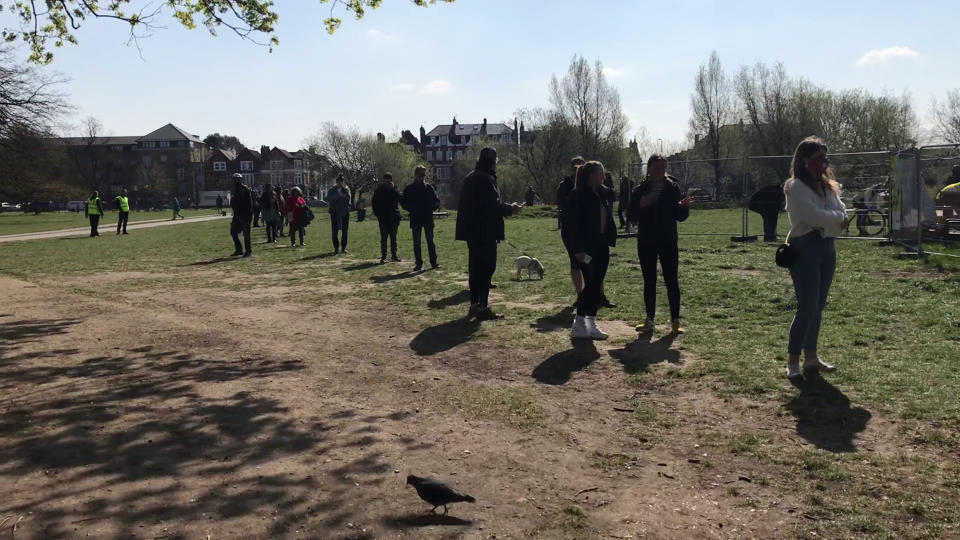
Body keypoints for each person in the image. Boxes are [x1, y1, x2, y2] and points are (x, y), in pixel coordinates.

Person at [782, 136, 847, 380]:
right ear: (805, 159)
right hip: (805, 247)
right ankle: (792, 361)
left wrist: (835, 216)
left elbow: (841, 209)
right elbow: (814, 217)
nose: (825, 161)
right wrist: (837, 218)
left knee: (818, 306)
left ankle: (811, 357)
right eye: (820, 157)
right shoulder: (796, 185)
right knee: (807, 306)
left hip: (827, 246)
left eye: (825, 156)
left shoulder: (827, 184)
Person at [628, 154, 693, 335]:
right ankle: (649, 320)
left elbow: (679, 216)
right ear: (649, 169)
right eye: (656, 168)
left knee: (671, 280)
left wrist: (684, 207)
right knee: (649, 280)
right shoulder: (640, 189)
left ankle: (675, 320)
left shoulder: (672, 188)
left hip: (668, 240)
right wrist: (641, 205)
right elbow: (631, 217)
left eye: (663, 167)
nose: (660, 171)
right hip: (647, 241)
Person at [455, 147, 522, 320]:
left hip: (472, 231)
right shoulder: (486, 179)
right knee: (486, 268)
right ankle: (482, 307)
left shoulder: (471, 177)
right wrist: (511, 209)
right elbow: (492, 206)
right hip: (484, 231)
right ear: (492, 161)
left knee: (475, 268)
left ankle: (474, 305)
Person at [568, 161, 617, 339]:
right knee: (591, 285)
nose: (603, 176)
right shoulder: (578, 195)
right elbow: (572, 226)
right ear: (591, 175)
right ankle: (579, 322)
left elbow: (613, 197)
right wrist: (578, 249)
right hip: (586, 248)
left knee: (596, 285)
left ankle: (590, 323)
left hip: (601, 245)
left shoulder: (602, 193)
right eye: (600, 173)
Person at [557, 156, 586, 305]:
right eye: (575, 167)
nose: (578, 170)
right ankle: (580, 294)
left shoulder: (590, 184)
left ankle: (598, 294)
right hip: (571, 231)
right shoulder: (565, 186)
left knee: (592, 261)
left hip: (587, 231)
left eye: (581, 166)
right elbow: (563, 205)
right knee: (575, 262)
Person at [402, 165, 441, 271]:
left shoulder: (429, 188)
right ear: (415, 175)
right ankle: (418, 263)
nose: (423, 176)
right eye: (421, 174)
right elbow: (404, 203)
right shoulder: (409, 189)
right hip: (416, 218)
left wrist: (434, 206)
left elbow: (436, 200)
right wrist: (412, 209)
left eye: (424, 174)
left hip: (427, 217)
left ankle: (433, 263)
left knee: (430, 241)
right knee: (417, 242)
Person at [372, 172, 403, 263]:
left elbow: (400, 198)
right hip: (383, 218)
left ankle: (394, 256)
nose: (387, 181)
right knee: (384, 238)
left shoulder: (394, 189)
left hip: (393, 217)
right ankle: (383, 256)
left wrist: (393, 189)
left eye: (388, 179)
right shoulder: (379, 190)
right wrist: (377, 214)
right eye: (385, 179)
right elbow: (374, 202)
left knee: (393, 238)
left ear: (391, 180)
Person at [229, 173, 254, 257]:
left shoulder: (245, 189)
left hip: (245, 215)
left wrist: (248, 215)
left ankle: (248, 251)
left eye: (238, 179)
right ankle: (239, 249)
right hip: (237, 215)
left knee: (246, 234)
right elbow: (232, 201)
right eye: (235, 179)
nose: (236, 181)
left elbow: (249, 203)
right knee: (233, 232)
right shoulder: (233, 189)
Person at [327, 175, 352, 254]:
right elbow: (328, 198)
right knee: (334, 231)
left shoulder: (346, 190)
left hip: (345, 212)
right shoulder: (331, 190)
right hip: (334, 212)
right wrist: (338, 196)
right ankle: (336, 247)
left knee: (345, 231)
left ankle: (343, 248)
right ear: (337, 182)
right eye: (339, 182)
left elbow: (348, 200)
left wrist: (344, 197)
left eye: (342, 182)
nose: (341, 184)